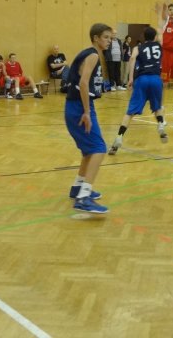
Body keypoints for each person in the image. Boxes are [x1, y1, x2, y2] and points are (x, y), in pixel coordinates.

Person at [64, 23, 113, 214]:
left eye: (110, 38)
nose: (109, 41)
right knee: (99, 148)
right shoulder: (92, 55)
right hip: (79, 107)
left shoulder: (89, 53)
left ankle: (78, 187)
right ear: (95, 38)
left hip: (75, 106)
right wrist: (86, 112)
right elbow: (84, 83)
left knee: (88, 152)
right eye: (106, 37)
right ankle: (84, 198)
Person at [109, 26, 168, 155]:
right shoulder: (159, 46)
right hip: (156, 79)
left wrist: (130, 78)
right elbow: (162, 34)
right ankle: (160, 125)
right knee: (157, 107)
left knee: (130, 112)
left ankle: (119, 137)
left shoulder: (138, 48)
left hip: (142, 79)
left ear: (143, 37)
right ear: (155, 37)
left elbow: (132, 59)